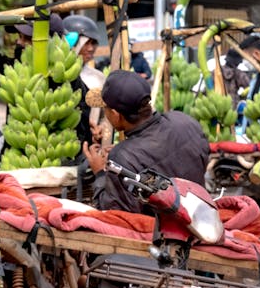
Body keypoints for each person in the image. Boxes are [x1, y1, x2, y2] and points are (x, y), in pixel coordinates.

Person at [82, 70, 209, 214]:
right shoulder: (185, 121)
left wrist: (99, 173)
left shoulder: (123, 157)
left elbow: (115, 213)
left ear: (116, 115)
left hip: (160, 232)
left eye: (106, 109)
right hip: (201, 216)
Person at [63, 14, 105, 90]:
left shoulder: (98, 77)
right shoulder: (56, 76)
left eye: (93, 43)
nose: (91, 48)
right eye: (86, 43)